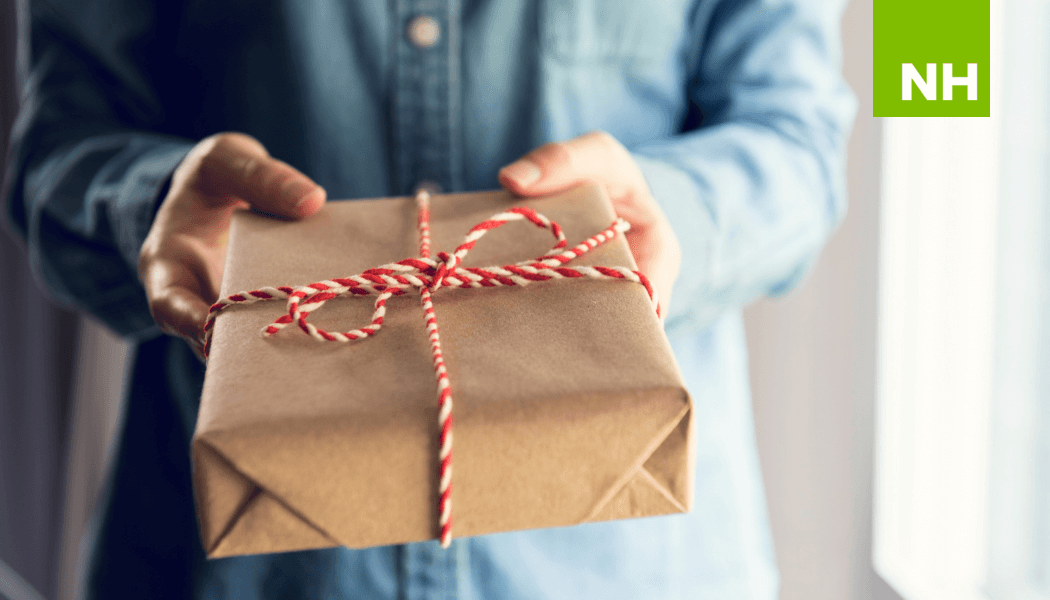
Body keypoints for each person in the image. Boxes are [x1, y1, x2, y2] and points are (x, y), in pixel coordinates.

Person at [3, 0, 855, 597]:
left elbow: (799, 144)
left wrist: (669, 211)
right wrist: (149, 204)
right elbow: (55, 152)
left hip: (628, 565)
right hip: (240, 570)